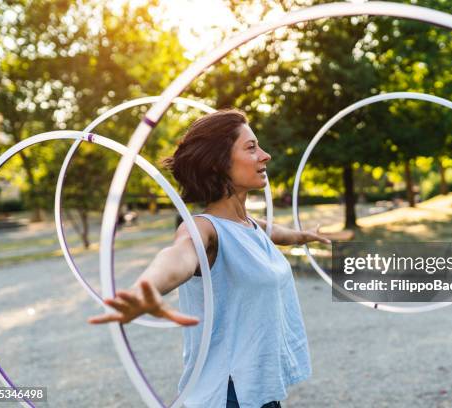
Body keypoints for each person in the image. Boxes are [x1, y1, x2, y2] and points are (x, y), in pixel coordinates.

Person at [88, 109, 330, 408]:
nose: (265, 156)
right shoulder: (203, 229)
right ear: (220, 163)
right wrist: (147, 288)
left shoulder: (250, 226)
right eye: (251, 147)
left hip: (259, 390)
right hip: (228, 394)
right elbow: (179, 256)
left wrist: (304, 235)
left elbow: (277, 234)